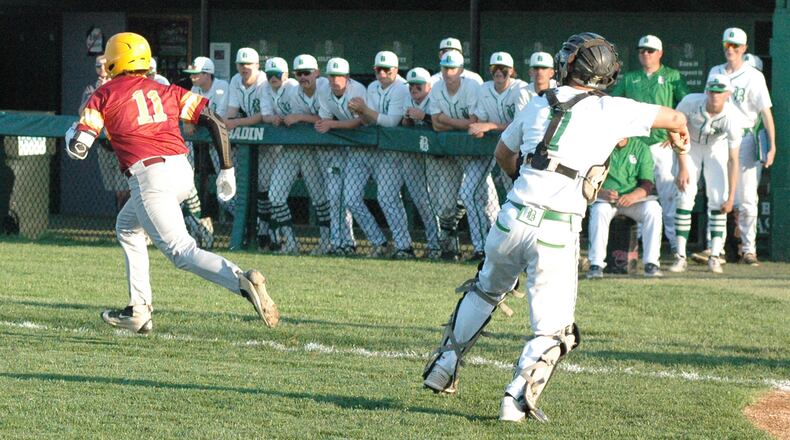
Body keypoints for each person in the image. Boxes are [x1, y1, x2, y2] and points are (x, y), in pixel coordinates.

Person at [422, 32, 689, 423]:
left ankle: (445, 363)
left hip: (513, 214)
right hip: (557, 227)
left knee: (485, 290)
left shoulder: (536, 104)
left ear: (572, 68)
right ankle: (515, 401)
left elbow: (503, 153)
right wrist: (679, 137)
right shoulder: (610, 109)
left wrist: (527, 185)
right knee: (554, 328)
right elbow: (677, 118)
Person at [66, 32, 279, 333]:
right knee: (127, 227)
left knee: (182, 252)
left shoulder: (104, 93)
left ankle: (241, 281)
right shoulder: (165, 90)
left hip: (149, 176)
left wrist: (71, 138)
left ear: (114, 60)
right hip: (181, 171)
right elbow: (215, 120)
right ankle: (138, 310)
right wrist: (227, 169)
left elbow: (79, 148)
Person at [349, 51, 439, 259]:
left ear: (395, 70)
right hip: (388, 152)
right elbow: (371, 119)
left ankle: (436, 244)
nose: (381, 74)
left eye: (386, 70)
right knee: (386, 196)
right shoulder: (372, 87)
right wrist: (359, 111)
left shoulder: (401, 87)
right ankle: (403, 245)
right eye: (378, 69)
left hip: (411, 151)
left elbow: (391, 121)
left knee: (421, 198)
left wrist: (365, 110)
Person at [611, 35, 689, 254]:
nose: (646, 54)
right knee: (635, 193)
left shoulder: (672, 76)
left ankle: (674, 245)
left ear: (660, 53)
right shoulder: (629, 78)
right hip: (634, 146)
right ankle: (639, 247)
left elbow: (685, 105)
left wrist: (673, 131)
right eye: (642, 51)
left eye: (651, 51)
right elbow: (614, 104)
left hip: (661, 145)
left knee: (668, 195)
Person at [707, 27, 776, 266]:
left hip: (745, 138)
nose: (731, 50)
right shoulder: (715, 71)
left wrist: (772, 145)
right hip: (719, 137)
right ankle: (715, 248)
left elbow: (766, 113)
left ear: (744, 49)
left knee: (746, 198)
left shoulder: (753, 76)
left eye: (736, 46)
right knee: (716, 194)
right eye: (728, 45)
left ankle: (748, 249)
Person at [668, 75, 742, 274]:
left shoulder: (733, 117)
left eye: (720, 91)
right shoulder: (691, 102)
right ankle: (680, 256)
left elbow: (733, 159)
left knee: (719, 199)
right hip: (689, 146)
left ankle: (715, 255)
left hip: (715, 148)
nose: (715, 95)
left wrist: (732, 196)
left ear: (728, 94)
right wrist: (682, 165)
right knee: (684, 197)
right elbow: (674, 128)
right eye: (712, 91)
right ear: (706, 91)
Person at [317, 57, 387, 257]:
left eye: (339, 75)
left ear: (347, 77)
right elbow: (324, 120)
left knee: (372, 197)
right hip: (346, 149)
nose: (334, 80)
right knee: (340, 196)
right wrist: (329, 124)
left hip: (371, 148)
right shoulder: (325, 91)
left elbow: (361, 122)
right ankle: (343, 243)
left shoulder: (358, 90)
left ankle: (385, 243)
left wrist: (332, 125)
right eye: (331, 75)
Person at [428, 50, 494, 261]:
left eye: (452, 68)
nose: (448, 73)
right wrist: (459, 124)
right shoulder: (437, 87)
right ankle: (453, 247)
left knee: (483, 200)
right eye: (445, 68)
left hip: (477, 152)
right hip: (452, 153)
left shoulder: (472, 86)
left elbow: (473, 123)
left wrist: (447, 121)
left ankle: (487, 248)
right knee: (446, 203)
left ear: (461, 70)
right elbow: (435, 124)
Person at [266, 55, 332, 255]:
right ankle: (291, 242)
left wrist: (301, 117)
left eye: (307, 72)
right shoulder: (292, 91)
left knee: (320, 197)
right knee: (275, 195)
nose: (303, 77)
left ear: (316, 72)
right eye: (300, 73)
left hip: (315, 149)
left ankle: (326, 242)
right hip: (291, 148)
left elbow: (324, 118)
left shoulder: (322, 87)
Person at [223, 48, 279, 251]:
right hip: (251, 140)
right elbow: (231, 110)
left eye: (248, 65)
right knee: (250, 190)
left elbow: (262, 116)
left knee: (268, 189)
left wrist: (235, 123)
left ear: (257, 66)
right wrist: (227, 122)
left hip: (273, 141)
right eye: (241, 64)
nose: (244, 68)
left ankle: (271, 232)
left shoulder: (264, 81)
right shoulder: (235, 81)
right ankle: (261, 231)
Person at [586, 137, 663, 278]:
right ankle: (596, 264)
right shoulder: (600, 146)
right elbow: (588, 179)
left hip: (632, 201)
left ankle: (651, 263)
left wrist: (633, 196)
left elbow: (647, 184)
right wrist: (602, 192)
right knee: (599, 211)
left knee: (653, 209)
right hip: (606, 200)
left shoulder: (640, 147)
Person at [180, 56, 229, 249]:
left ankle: (255, 228)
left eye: (196, 74)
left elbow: (221, 118)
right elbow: (187, 116)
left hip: (228, 144)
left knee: (229, 194)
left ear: (207, 74)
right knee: (190, 185)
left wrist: (194, 121)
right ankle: (201, 227)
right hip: (206, 144)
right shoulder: (195, 89)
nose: (192, 77)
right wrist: (187, 121)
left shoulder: (221, 87)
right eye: (191, 74)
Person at [469, 52, 530, 196]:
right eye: (494, 68)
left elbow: (520, 124)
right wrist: (480, 128)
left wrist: (490, 126)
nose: (498, 72)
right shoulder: (484, 89)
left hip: (516, 148)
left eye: (503, 68)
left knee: (513, 188)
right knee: (474, 189)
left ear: (511, 71)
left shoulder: (521, 88)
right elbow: (481, 121)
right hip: (491, 147)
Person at [79, 54, 129, 213]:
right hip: (104, 147)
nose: (101, 69)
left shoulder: (120, 84)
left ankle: (124, 221)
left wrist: (107, 89)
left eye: (104, 66)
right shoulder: (91, 88)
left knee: (123, 189)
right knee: (114, 189)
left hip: (120, 147)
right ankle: (120, 220)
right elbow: (82, 112)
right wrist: (96, 93)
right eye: (97, 66)